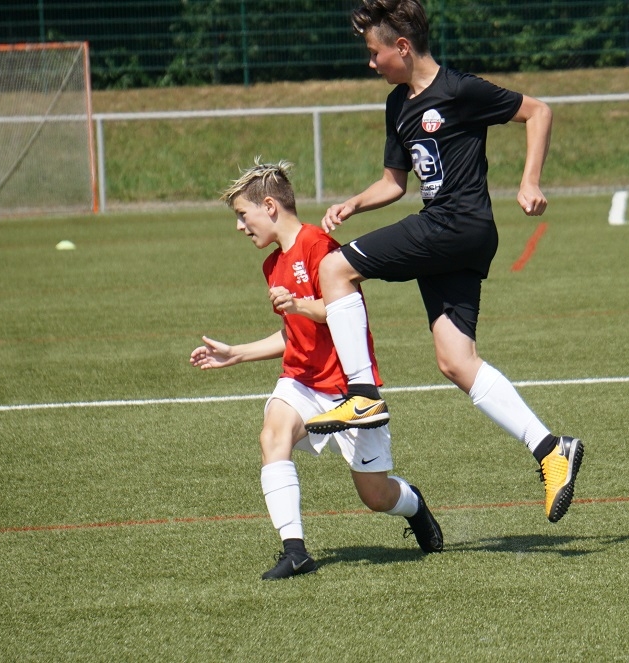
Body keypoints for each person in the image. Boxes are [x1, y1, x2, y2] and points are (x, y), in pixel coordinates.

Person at [303, 0, 584, 523]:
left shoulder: (458, 90)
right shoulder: (397, 104)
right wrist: (353, 204)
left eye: (375, 52)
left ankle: (361, 393)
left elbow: (538, 111)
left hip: (456, 225)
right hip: (452, 236)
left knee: (335, 268)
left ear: (402, 47)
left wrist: (529, 181)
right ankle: (551, 449)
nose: (371, 62)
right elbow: (394, 183)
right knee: (456, 360)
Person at [190, 159, 443, 580]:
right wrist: (236, 353)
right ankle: (295, 551)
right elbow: (294, 334)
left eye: (243, 215)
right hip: (302, 381)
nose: (239, 226)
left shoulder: (319, 245)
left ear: (269, 206)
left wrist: (298, 304)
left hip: (350, 391)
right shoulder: (272, 265)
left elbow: (341, 311)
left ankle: (413, 505)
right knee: (272, 436)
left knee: (376, 495)